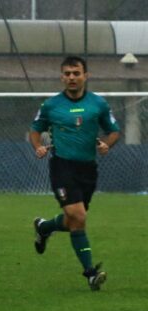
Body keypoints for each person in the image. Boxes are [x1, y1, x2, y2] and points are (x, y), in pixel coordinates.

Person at [30, 55, 120, 291]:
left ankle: (44, 227)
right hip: (62, 166)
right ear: (62, 77)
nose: (71, 77)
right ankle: (90, 273)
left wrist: (107, 144)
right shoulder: (50, 105)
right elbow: (35, 130)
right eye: (67, 74)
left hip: (87, 169)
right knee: (78, 216)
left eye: (76, 73)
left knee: (73, 221)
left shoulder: (98, 104)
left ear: (85, 76)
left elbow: (113, 131)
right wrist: (38, 146)